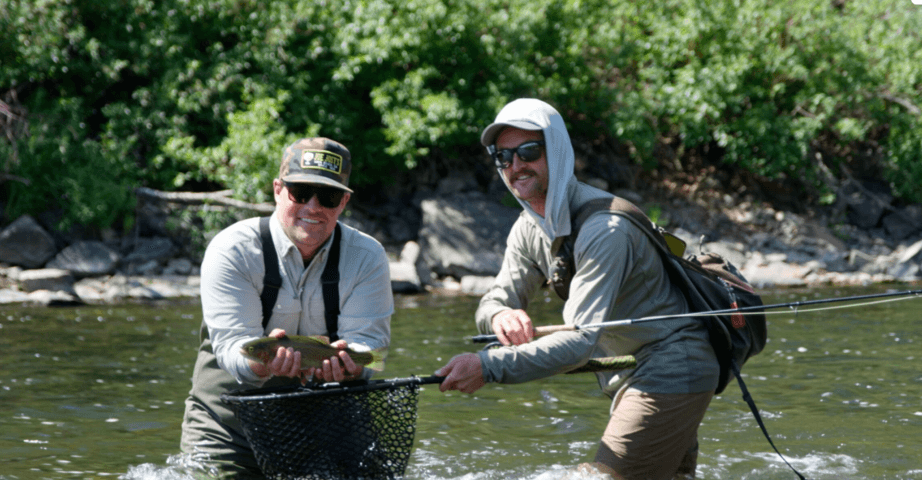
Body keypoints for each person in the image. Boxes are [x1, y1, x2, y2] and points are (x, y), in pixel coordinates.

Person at [434, 99, 720, 480]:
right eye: (502, 156)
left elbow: (581, 341)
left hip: (673, 369)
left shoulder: (605, 230)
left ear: (557, 151)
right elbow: (494, 299)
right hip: (633, 375)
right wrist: (502, 314)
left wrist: (488, 366)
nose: (515, 165)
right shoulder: (528, 227)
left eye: (529, 152)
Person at [180, 137, 395, 479]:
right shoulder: (232, 250)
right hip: (229, 424)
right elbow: (231, 347)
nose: (313, 206)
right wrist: (261, 365)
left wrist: (353, 363)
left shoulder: (367, 257)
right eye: (300, 192)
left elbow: (369, 345)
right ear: (278, 189)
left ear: (344, 202)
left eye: (328, 196)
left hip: (329, 417)